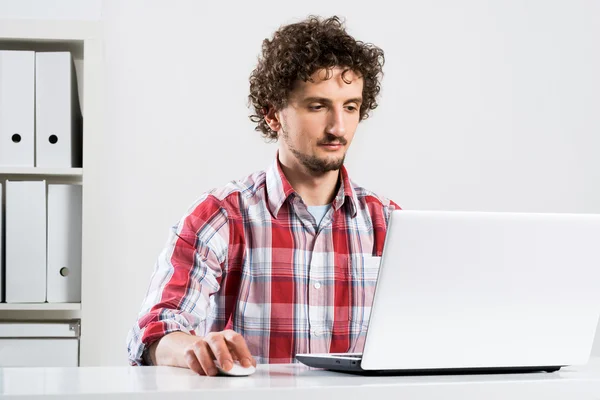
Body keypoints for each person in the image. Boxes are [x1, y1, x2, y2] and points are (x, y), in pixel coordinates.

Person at [126, 15, 400, 375]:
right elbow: (154, 333)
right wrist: (195, 346)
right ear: (273, 114)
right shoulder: (220, 216)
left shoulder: (390, 223)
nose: (338, 126)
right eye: (317, 106)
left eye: (350, 107)